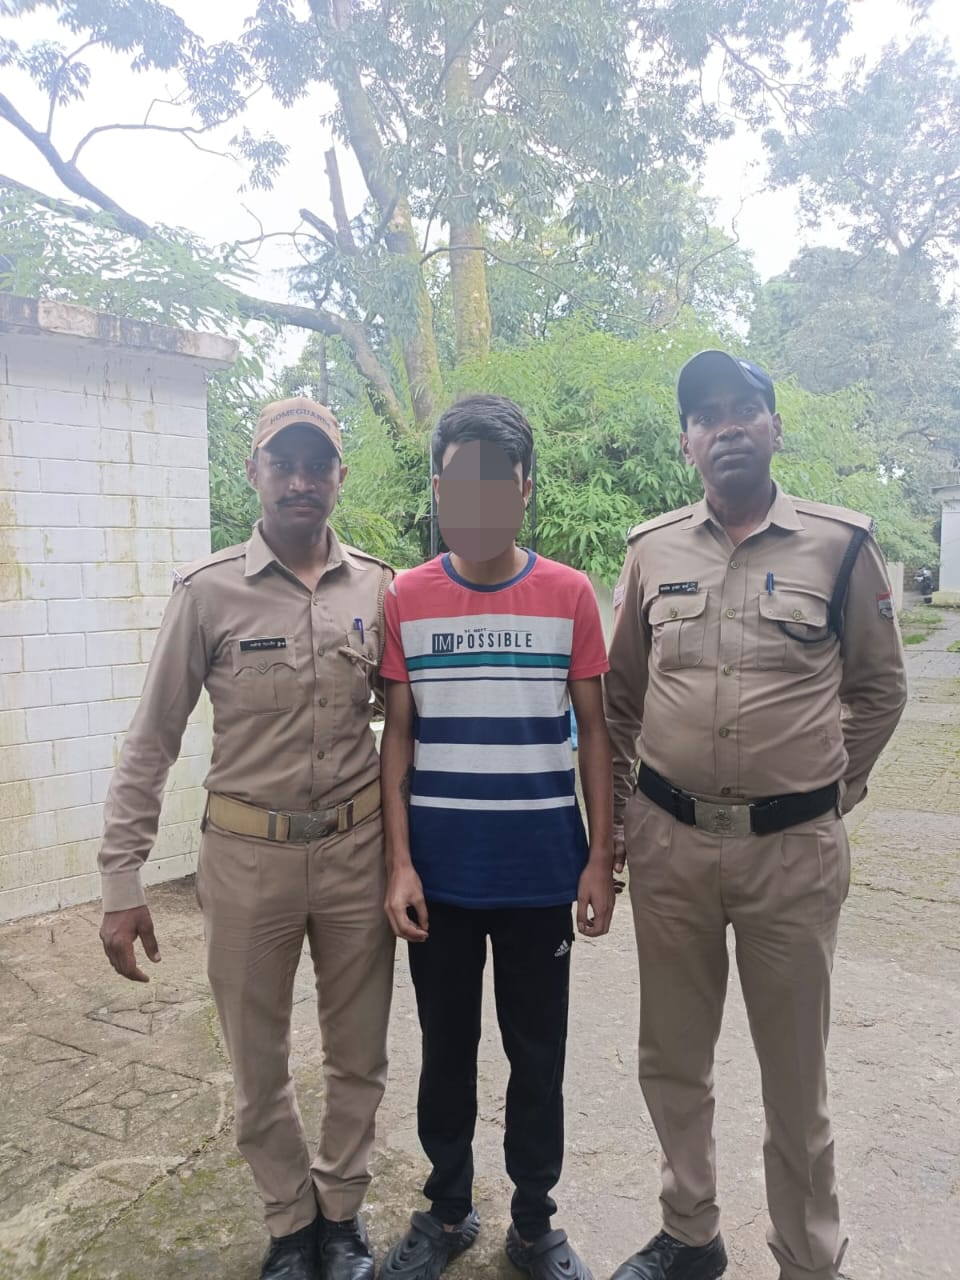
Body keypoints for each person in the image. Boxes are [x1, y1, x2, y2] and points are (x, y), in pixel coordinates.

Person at [603, 351, 907, 1280]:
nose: (727, 426)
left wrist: (826, 794)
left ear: (775, 425)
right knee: (672, 1060)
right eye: (707, 415)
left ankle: (807, 1258)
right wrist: (620, 823)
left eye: (744, 409)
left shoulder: (839, 546)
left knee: (795, 1078)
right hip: (671, 848)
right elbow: (618, 702)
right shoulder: (651, 552)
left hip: (792, 858)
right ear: (687, 442)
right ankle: (689, 1234)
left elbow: (880, 691)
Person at [97, 397, 396, 1280]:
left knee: (359, 1052)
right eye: (283, 463)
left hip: (356, 854)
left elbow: (411, 728)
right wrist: (121, 879)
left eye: (317, 464)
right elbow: (151, 738)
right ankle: (289, 1220)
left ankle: (341, 1214)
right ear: (254, 471)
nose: (301, 481)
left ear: (339, 475)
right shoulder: (207, 592)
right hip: (246, 861)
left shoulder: (382, 589)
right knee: (257, 1059)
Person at [377, 394, 615, 1280]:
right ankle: (447, 1209)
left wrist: (599, 858)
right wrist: (399, 863)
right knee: (445, 1052)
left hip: (539, 874)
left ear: (523, 489)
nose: (473, 500)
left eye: (493, 482)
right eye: (456, 482)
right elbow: (398, 737)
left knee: (536, 1058)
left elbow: (596, 733)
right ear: (439, 489)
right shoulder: (407, 597)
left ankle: (534, 1222)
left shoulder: (569, 594)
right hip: (439, 879)